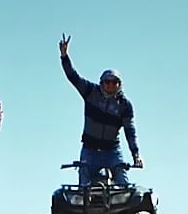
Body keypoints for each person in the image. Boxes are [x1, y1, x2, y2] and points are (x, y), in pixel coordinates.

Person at [58, 34, 142, 188]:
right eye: (107, 82)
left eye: (114, 82)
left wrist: (135, 154)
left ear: (119, 84)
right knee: (83, 187)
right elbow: (73, 77)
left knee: (124, 186)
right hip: (90, 150)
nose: (110, 85)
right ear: (101, 83)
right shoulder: (91, 92)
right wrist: (64, 56)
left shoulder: (124, 105)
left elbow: (130, 132)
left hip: (112, 151)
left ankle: (124, 212)